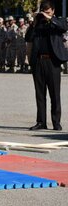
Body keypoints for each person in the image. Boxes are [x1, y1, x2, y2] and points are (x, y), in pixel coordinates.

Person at [29, 0, 68, 131]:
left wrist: (50, 18)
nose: (45, 15)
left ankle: (56, 122)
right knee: (40, 94)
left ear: (53, 11)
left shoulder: (58, 21)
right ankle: (41, 122)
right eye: (43, 12)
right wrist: (34, 22)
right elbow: (28, 38)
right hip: (39, 61)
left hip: (53, 62)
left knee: (54, 94)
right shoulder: (38, 24)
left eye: (48, 12)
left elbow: (63, 28)